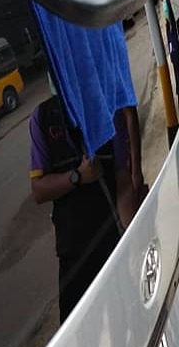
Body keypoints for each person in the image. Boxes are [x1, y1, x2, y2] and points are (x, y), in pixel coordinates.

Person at [29, 94, 144, 322]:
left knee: (124, 321)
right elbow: (39, 190)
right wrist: (77, 177)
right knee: (78, 328)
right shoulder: (43, 117)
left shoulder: (108, 110)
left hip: (111, 245)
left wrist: (133, 241)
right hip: (73, 254)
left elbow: (122, 183)